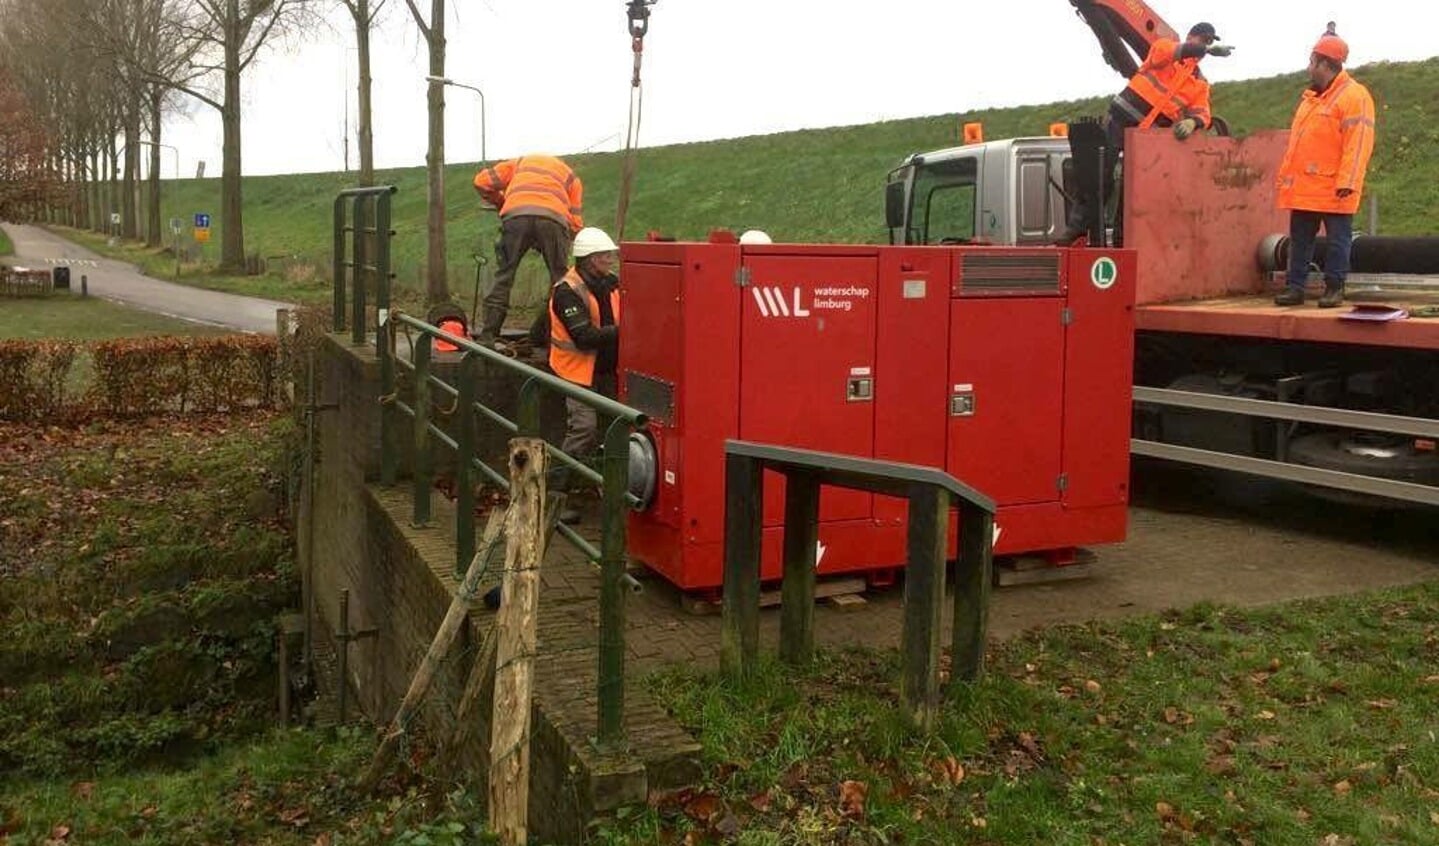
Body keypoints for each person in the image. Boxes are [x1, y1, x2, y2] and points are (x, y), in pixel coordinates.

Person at [1056, 22, 1233, 245]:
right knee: (1099, 175)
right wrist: (1203, 50)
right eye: (1203, 40)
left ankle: (1122, 240)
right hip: (1121, 119)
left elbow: (1203, 113)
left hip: (1146, 138)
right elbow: (1164, 53)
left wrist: (1192, 122)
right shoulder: (1165, 48)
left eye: (1209, 42)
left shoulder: (1200, 83)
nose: (1205, 45)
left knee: (1132, 190)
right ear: (1190, 36)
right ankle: (1078, 229)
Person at [1273, 26, 1376, 308]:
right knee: (1300, 241)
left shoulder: (1355, 96)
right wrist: (1287, 180)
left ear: (1325, 64)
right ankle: (1296, 288)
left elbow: (1359, 143)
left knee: (1337, 241)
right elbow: (1298, 146)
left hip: (1335, 186)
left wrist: (1349, 181)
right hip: (1306, 187)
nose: (1308, 67)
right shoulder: (1312, 99)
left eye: (1312, 61)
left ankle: (1334, 288)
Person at [549, 227, 621, 523]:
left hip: (608, 369)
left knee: (620, 428)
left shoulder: (611, 284)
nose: (610, 260)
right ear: (589, 259)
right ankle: (554, 496)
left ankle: (614, 489)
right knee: (583, 430)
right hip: (576, 371)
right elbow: (584, 336)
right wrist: (629, 331)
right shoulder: (567, 292)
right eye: (605, 256)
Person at [472, 154, 584, 346]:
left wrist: (501, 202)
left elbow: (481, 182)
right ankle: (551, 337)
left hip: (516, 217)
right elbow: (575, 223)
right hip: (554, 220)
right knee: (559, 280)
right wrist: (564, 240)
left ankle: (488, 336)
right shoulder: (571, 177)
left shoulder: (519, 163)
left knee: (504, 276)